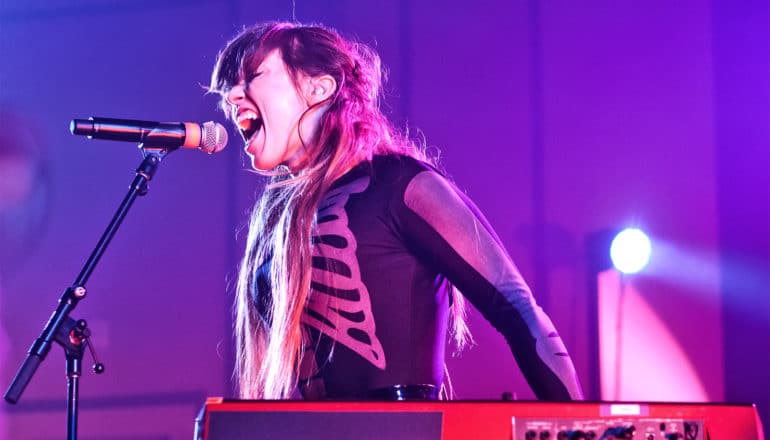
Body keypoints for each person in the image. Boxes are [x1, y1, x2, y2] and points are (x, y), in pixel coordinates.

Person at [209, 22, 584, 401]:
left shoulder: (400, 184)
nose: (232, 97)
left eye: (252, 77)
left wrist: (579, 428)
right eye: (228, 91)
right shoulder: (276, 221)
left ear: (319, 88)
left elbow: (517, 308)